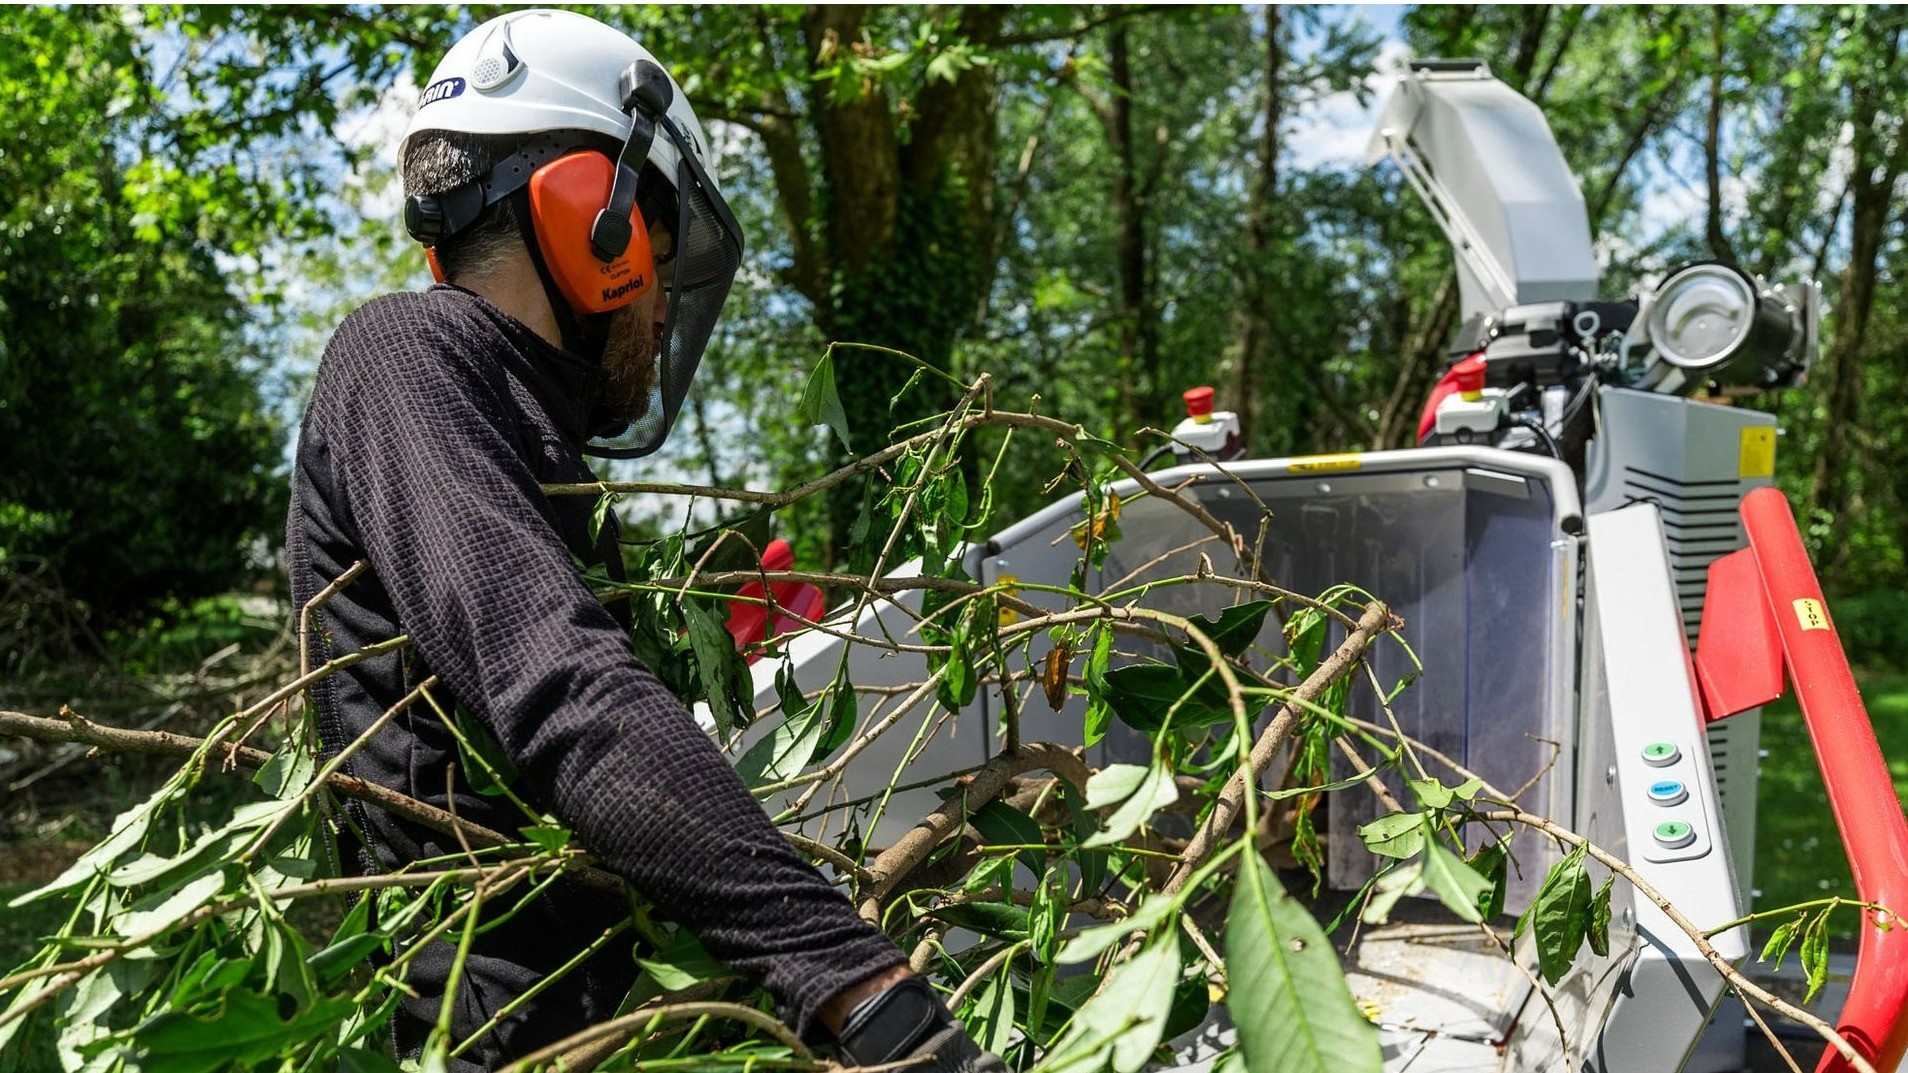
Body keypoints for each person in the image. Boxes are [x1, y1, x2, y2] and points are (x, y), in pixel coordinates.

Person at [287, 10, 1004, 1071]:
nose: (664, 306)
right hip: (511, 1036)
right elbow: (564, 686)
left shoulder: (523, 431)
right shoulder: (404, 352)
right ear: (598, 222)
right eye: (661, 263)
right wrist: (874, 999)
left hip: (614, 1020)